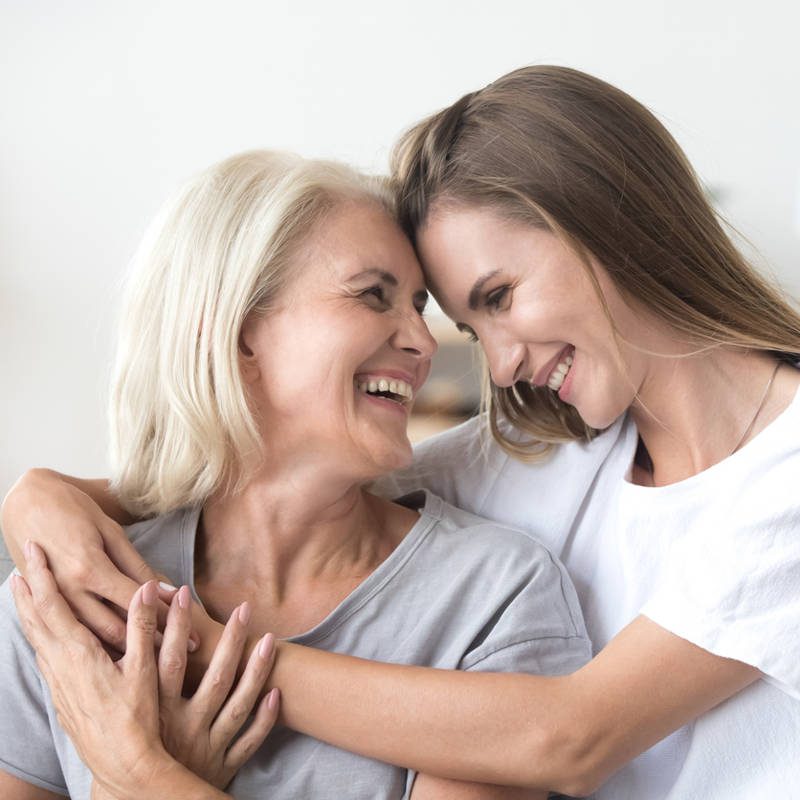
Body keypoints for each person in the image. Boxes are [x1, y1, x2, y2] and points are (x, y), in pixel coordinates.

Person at [4, 65, 800, 798]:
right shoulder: (560, 450)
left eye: (499, 295)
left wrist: (151, 754)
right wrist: (45, 499)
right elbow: (281, 485)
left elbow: (572, 736)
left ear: (608, 222)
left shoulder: (784, 477)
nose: (494, 366)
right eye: (464, 319)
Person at [0, 150, 592, 799]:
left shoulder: (490, 597)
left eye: (420, 306)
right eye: (373, 295)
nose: (423, 342)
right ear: (238, 335)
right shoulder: (69, 598)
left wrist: (143, 779)